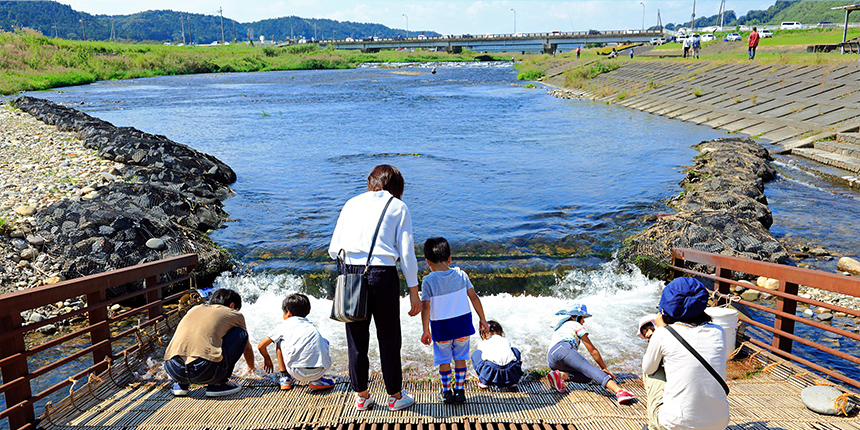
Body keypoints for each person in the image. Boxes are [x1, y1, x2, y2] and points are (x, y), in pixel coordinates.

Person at [328, 164, 421, 411]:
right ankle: (394, 395)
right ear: (396, 186)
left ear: (371, 182)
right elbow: (407, 254)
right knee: (389, 337)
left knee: (356, 339)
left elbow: (333, 248)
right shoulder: (398, 207)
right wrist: (414, 290)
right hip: (382, 273)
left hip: (350, 273)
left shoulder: (351, 203)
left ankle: (361, 395)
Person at [642, 277, 730, 430]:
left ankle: (654, 427)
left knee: (651, 371)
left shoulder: (662, 334)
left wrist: (661, 329)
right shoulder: (719, 332)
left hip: (676, 423)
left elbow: (648, 369)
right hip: (719, 423)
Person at [420, 237, 489, 404]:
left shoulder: (428, 281)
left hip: (442, 329)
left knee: (444, 360)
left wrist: (426, 330)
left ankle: (446, 392)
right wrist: (483, 319)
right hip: (462, 327)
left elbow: (426, 308)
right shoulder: (461, 274)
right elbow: (474, 297)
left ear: (427, 261)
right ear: (449, 258)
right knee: (460, 358)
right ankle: (459, 391)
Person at [163, 288, 257, 397]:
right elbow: (246, 346)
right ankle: (217, 384)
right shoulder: (234, 314)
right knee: (241, 332)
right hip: (203, 370)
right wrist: (252, 369)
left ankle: (181, 385)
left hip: (173, 369)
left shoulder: (195, 309)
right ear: (232, 306)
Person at [546, 303, 635, 404]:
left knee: (586, 377)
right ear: (574, 317)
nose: (583, 321)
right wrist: (603, 368)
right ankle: (619, 391)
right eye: (583, 318)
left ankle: (561, 375)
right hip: (564, 349)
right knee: (589, 370)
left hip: (551, 359)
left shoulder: (560, 327)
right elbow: (592, 350)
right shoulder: (576, 324)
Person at [257, 293, 334, 391]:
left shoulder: (284, 325)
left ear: (288, 313)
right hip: (319, 371)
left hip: (296, 372)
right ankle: (317, 380)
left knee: (279, 341)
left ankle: (285, 378)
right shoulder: (310, 326)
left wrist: (267, 359)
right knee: (322, 341)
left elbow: (261, 346)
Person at [471, 320, 523, 391]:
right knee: (515, 350)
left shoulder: (483, 343)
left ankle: (484, 382)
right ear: (501, 333)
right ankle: (512, 383)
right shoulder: (505, 341)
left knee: (476, 354)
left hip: (491, 372)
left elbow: (481, 358)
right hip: (511, 371)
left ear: (482, 335)